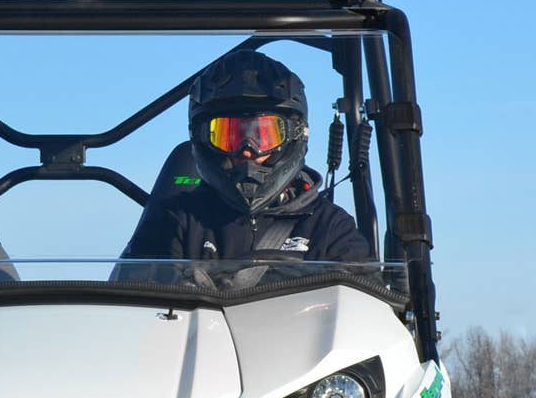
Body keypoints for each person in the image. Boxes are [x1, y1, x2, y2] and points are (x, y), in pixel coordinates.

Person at [121, 50, 370, 263]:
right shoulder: (176, 221)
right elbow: (140, 306)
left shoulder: (328, 227)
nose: (247, 149)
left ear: (294, 135)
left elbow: (361, 310)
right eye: (228, 135)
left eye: (264, 134)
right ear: (202, 139)